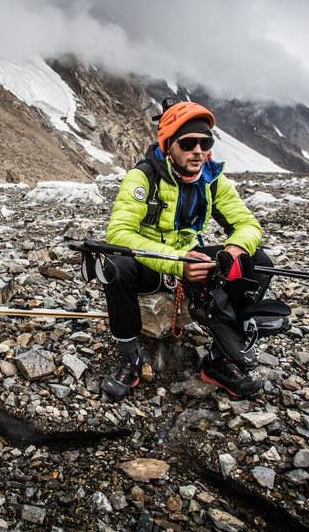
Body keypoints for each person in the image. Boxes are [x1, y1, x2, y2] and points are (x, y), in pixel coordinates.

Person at [100, 99, 275, 400]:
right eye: (188, 143)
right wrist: (176, 262)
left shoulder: (213, 180)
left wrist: (235, 248)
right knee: (117, 266)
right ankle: (130, 358)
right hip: (155, 264)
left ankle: (219, 361)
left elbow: (249, 225)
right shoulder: (142, 178)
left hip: (193, 259)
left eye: (205, 142)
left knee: (257, 261)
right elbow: (119, 234)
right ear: (168, 145)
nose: (198, 151)